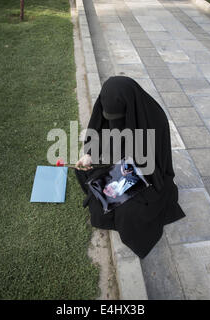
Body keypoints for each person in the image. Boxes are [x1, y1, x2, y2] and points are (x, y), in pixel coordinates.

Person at [74, 75, 185, 259]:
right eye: (110, 118)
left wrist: (124, 175)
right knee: (86, 174)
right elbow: (99, 132)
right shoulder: (105, 105)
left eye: (119, 118)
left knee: (129, 213)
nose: (114, 124)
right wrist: (90, 155)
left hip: (146, 174)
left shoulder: (154, 119)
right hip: (118, 163)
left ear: (130, 108)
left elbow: (154, 166)